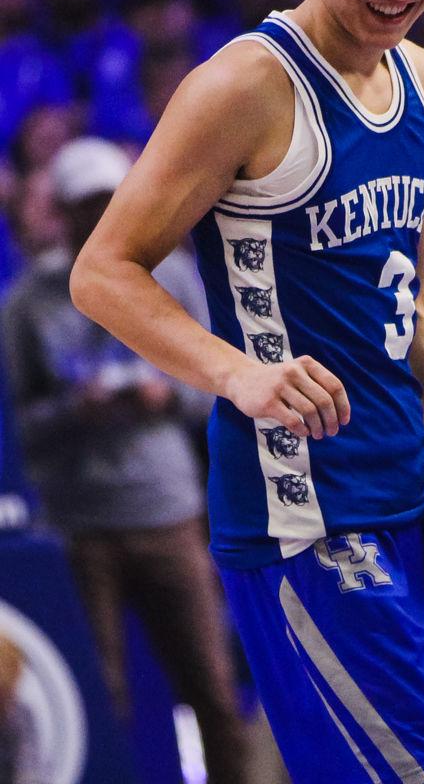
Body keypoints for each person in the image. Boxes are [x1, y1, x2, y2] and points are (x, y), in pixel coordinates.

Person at [69, 0, 424, 784]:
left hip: (404, 496)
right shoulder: (244, 87)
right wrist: (239, 373)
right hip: (303, 515)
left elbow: (414, 302)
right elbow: (102, 272)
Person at [1, 137, 249, 781]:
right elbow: (19, 425)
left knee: (213, 688)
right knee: (102, 695)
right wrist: (73, 411)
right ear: (61, 212)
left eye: (108, 201)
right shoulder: (29, 302)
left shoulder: (174, 277)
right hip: (81, 524)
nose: (98, 216)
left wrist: (167, 395)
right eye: (85, 206)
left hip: (167, 511)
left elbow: (224, 385)